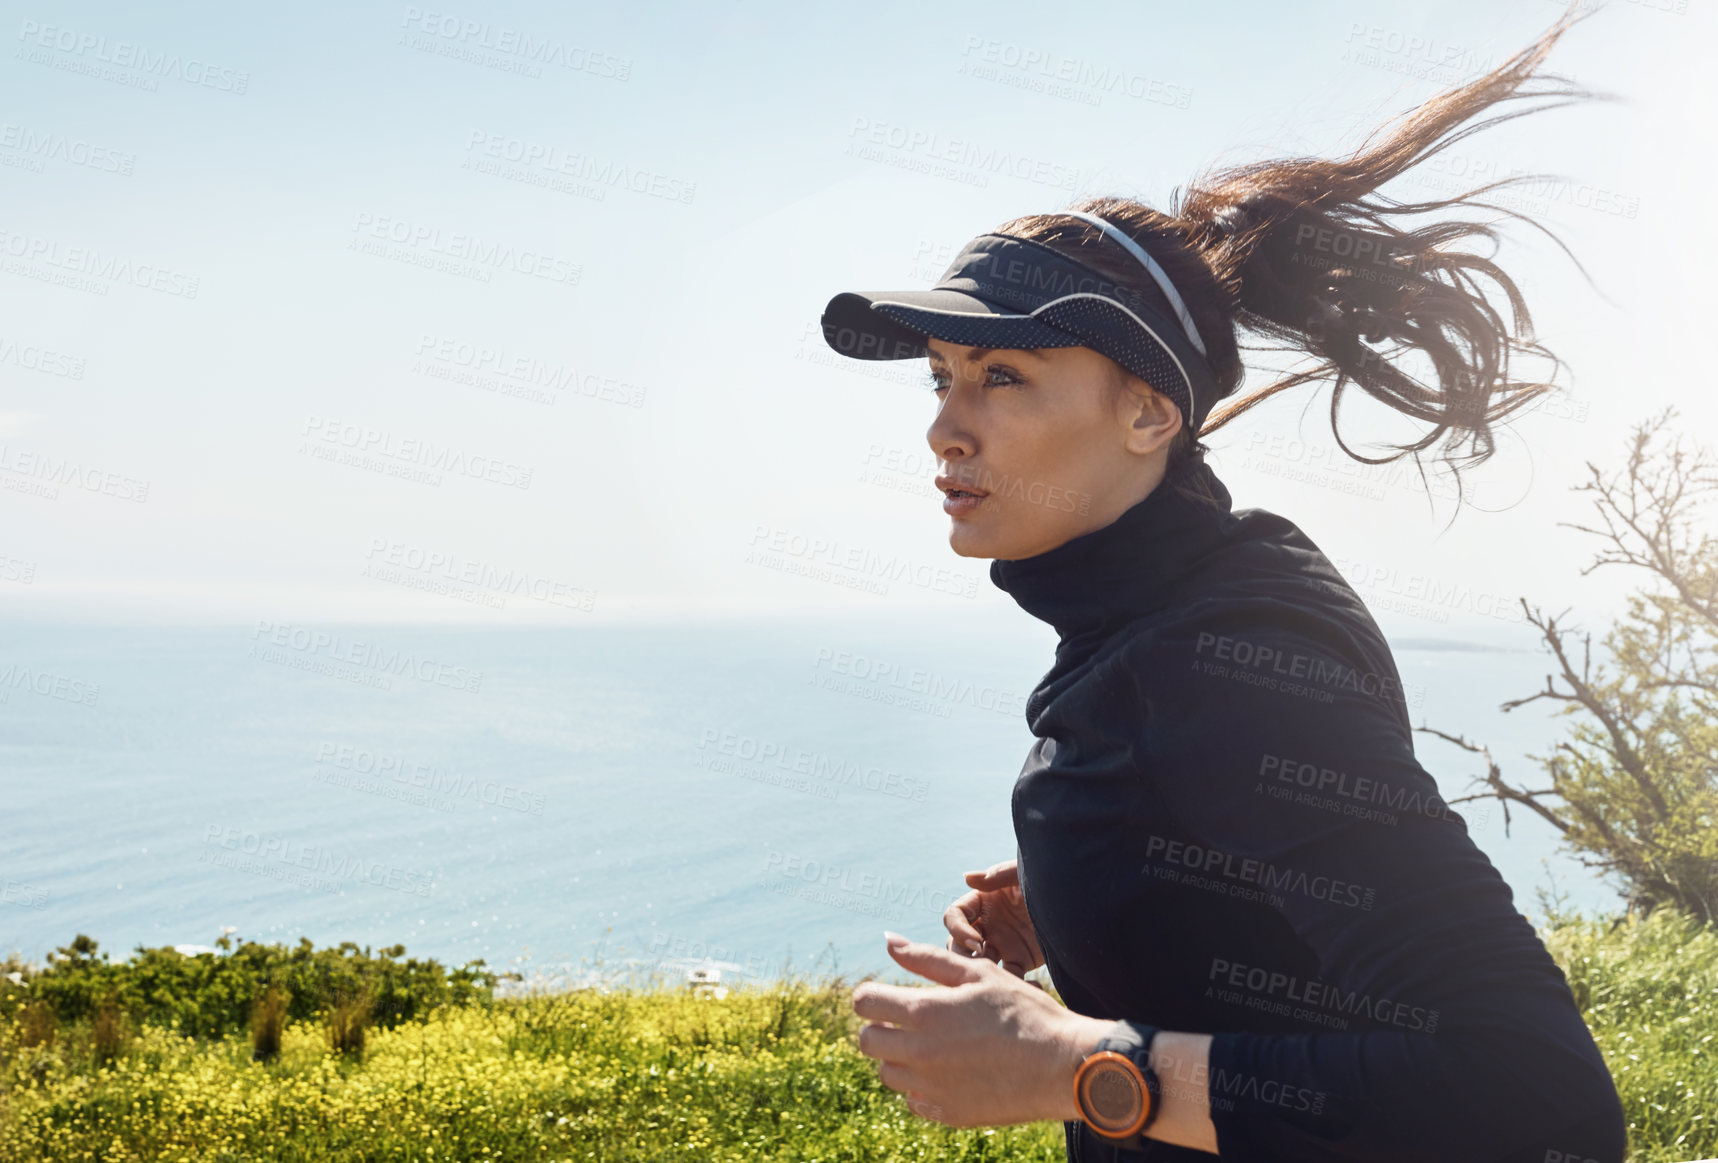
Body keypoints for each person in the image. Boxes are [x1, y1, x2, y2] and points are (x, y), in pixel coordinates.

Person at [818, 7, 1627, 1162]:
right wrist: (1108, 889)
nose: (946, 427)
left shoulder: (1216, 655)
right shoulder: (1178, 596)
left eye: (1001, 374)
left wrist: (1072, 1064)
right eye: (941, 377)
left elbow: (1527, 1091)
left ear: (1151, 412)